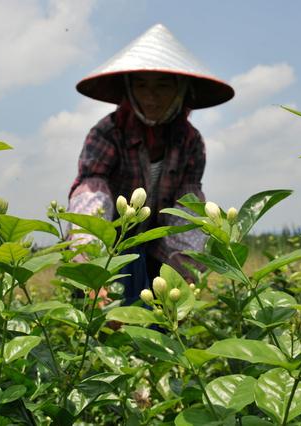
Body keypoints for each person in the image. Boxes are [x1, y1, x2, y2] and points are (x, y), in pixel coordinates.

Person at [68, 24, 235, 304]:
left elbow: (187, 208)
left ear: (181, 90)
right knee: (103, 325)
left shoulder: (190, 142)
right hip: (112, 247)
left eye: (163, 85)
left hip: (159, 250)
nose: (151, 96)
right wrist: (92, 267)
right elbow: (92, 196)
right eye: (141, 85)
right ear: (129, 89)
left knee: (157, 324)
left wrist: (186, 273)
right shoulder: (108, 133)